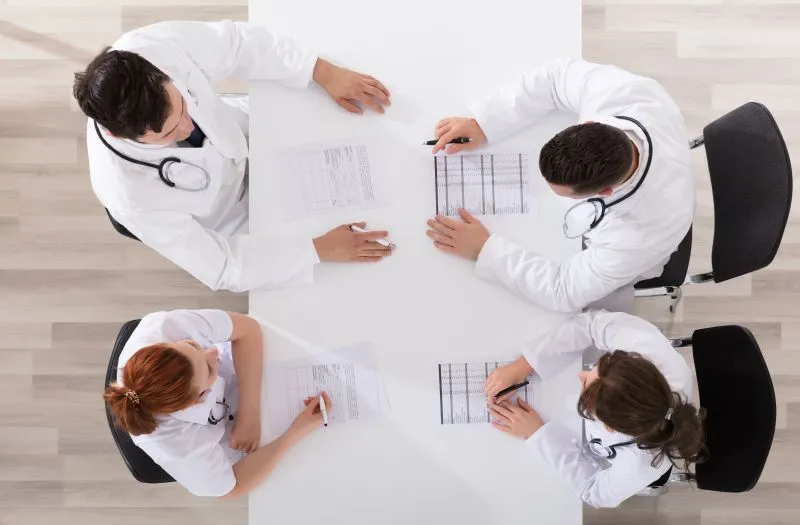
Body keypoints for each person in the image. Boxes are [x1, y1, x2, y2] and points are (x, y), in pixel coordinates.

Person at [74, 20, 394, 292]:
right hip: (232, 216)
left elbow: (237, 45)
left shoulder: (149, 47)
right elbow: (223, 267)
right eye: (169, 133)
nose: (187, 126)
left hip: (241, 130)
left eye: (183, 105)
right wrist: (318, 250)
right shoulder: (129, 196)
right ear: (118, 134)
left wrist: (321, 71)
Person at [425, 58, 693, 312]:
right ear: (589, 122)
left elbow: (563, 289)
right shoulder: (625, 92)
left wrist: (486, 250)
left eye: (564, 193)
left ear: (605, 192)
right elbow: (555, 79)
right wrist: (484, 122)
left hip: (626, 262)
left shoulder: (637, 235)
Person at [484, 310, 704, 508]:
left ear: (608, 427)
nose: (580, 374)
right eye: (596, 368)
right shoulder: (649, 349)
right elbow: (592, 325)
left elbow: (593, 491)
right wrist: (524, 365)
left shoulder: (643, 464)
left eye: (585, 387)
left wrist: (539, 434)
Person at [104, 308, 330, 498]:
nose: (212, 351)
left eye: (193, 345)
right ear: (196, 401)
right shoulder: (176, 445)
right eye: (210, 369)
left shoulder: (160, 329)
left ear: (165, 345)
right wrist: (294, 434)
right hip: (239, 443)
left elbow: (247, 330)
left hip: (249, 379)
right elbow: (232, 488)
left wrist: (249, 416)